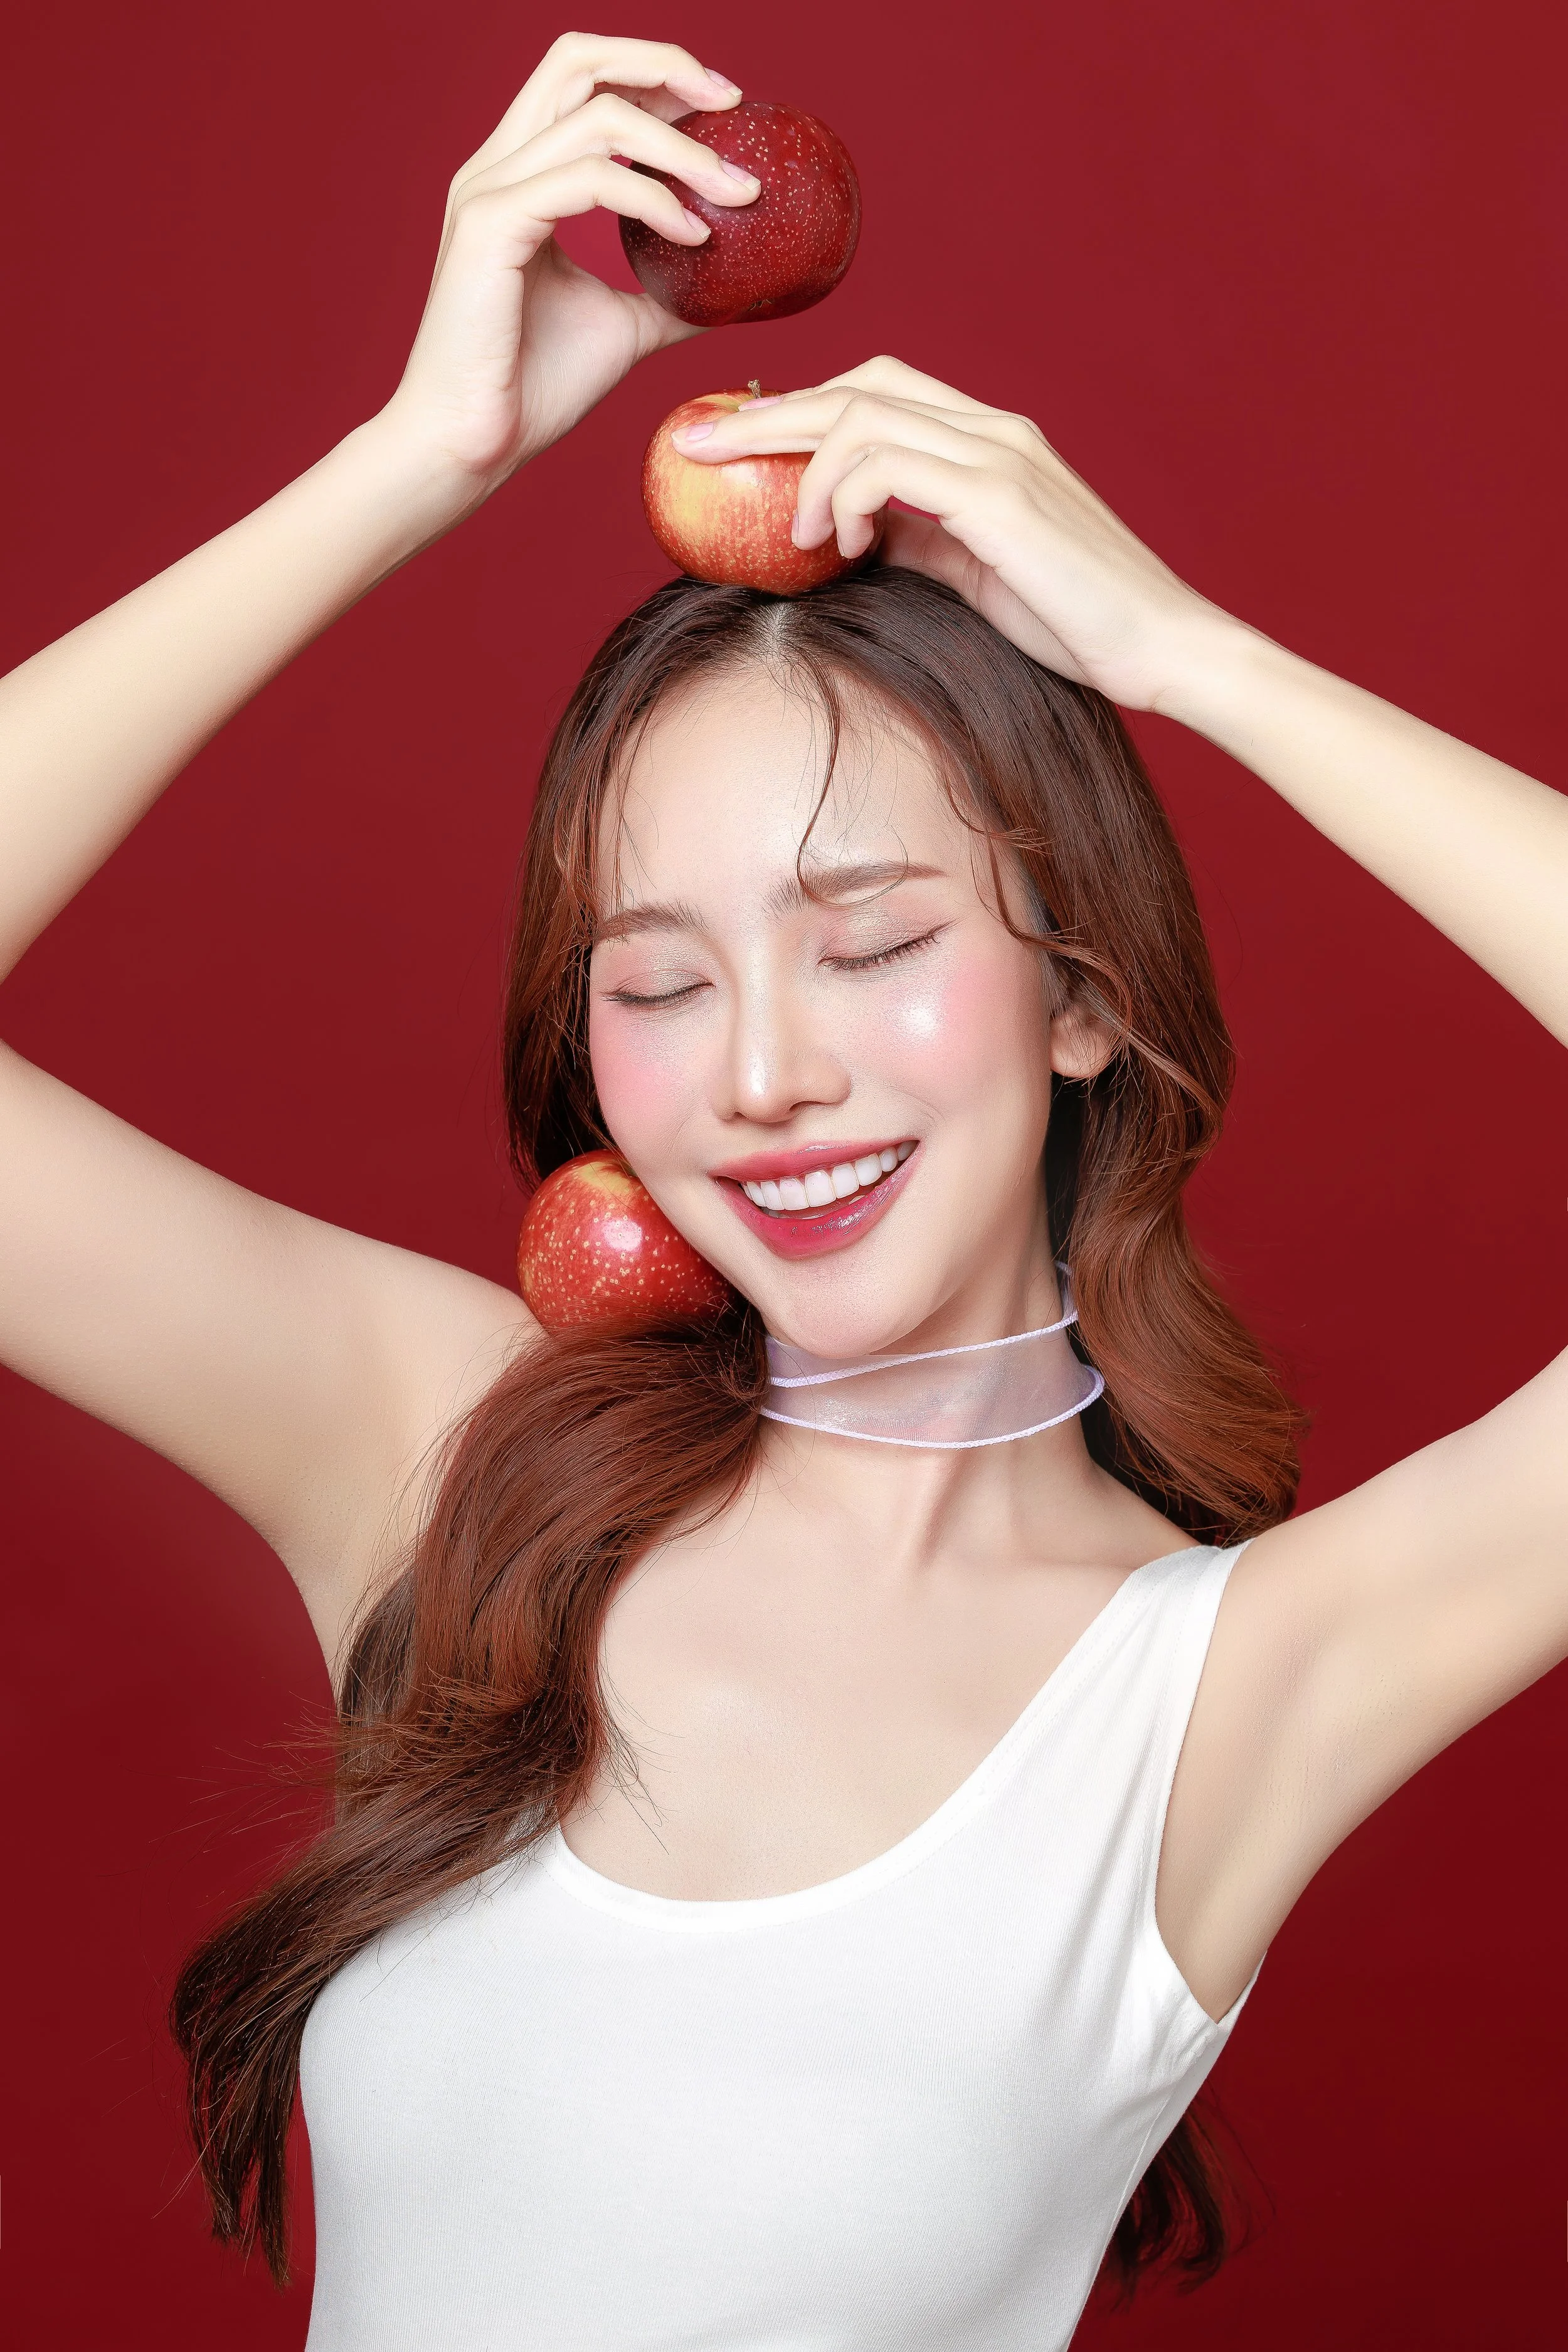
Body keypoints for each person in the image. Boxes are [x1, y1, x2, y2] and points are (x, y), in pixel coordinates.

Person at [1, 30, 1563, 2351]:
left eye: (871, 939)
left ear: (1084, 990)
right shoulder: (456, 1461)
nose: (758, 1077)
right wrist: (416, 459)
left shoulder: (1228, 1692)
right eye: (657, 978)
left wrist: (1190, 659)